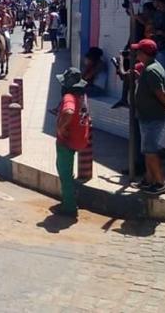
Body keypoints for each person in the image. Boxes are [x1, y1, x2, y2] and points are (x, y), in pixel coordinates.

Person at [131, 38, 165, 194]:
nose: (136, 54)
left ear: (144, 54)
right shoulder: (150, 68)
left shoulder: (151, 70)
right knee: (147, 150)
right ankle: (149, 180)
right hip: (146, 116)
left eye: (138, 51)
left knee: (150, 151)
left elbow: (160, 92)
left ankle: (161, 182)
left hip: (152, 117)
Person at [54, 67, 92, 217]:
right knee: (68, 171)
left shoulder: (69, 97)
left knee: (65, 174)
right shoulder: (82, 97)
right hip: (80, 138)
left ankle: (69, 207)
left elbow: (69, 112)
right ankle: (71, 196)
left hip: (67, 141)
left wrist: (61, 128)